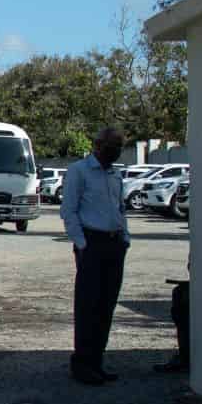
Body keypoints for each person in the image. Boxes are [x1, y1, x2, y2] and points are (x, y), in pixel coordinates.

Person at [60, 127, 129, 385]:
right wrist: (82, 243)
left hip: (114, 244)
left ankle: (97, 361)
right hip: (92, 243)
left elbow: (121, 209)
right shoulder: (79, 171)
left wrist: (125, 238)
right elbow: (69, 210)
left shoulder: (115, 174)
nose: (115, 152)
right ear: (98, 145)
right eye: (112, 146)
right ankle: (82, 363)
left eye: (119, 147)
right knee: (88, 305)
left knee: (106, 305)